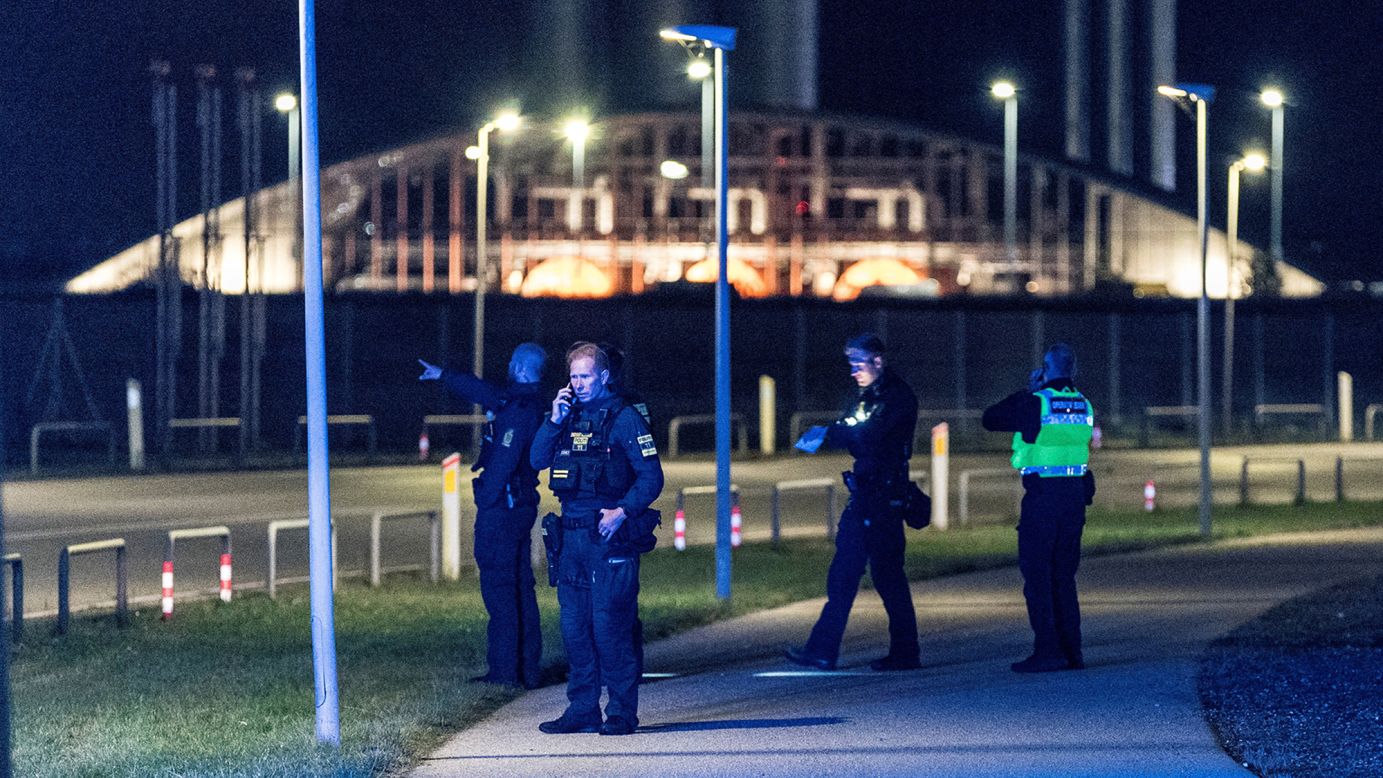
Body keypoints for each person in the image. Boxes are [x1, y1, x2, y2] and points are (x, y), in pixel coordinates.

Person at [530, 342, 664, 736]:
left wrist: (622, 511)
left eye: (585, 375)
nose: (578, 383)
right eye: (573, 376)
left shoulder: (624, 418)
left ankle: (621, 712)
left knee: (611, 628)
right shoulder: (567, 415)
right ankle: (582, 708)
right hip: (571, 539)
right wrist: (554, 420)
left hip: (609, 538)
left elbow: (652, 477)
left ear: (603, 376)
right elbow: (537, 460)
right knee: (575, 628)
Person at [785, 333, 923, 672]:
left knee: (880, 575)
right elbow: (850, 426)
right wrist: (828, 432)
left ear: (878, 360)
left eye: (858, 364)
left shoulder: (897, 396)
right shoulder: (866, 396)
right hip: (866, 495)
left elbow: (869, 435)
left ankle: (895, 651)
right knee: (851, 573)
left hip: (882, 498)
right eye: (850, 364)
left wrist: (828, 435)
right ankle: (825, 650)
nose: (853, 371)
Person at [418, 343, 548, 689]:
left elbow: (502, 464)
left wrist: (487, 500)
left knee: (501, 589)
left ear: (519, 366)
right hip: (519, 507)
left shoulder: (518, 411)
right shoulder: (525, 401)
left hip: (503, 511)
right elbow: (487, 393)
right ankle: (527, 669)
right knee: (520, 587)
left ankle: (505, 672)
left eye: (510, 361)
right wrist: (444, 375)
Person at [981, 342, 1096, 673]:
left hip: (1044, 497)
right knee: (1064, 577)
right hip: (1074, 496)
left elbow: (990, 419)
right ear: (1073, 369)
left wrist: (1028, 390)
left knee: (1037, 576)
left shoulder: (1037, 402)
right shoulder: (1084, 404)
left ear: (1046, 368)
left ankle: (1047, 651)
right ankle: (1072, 652)